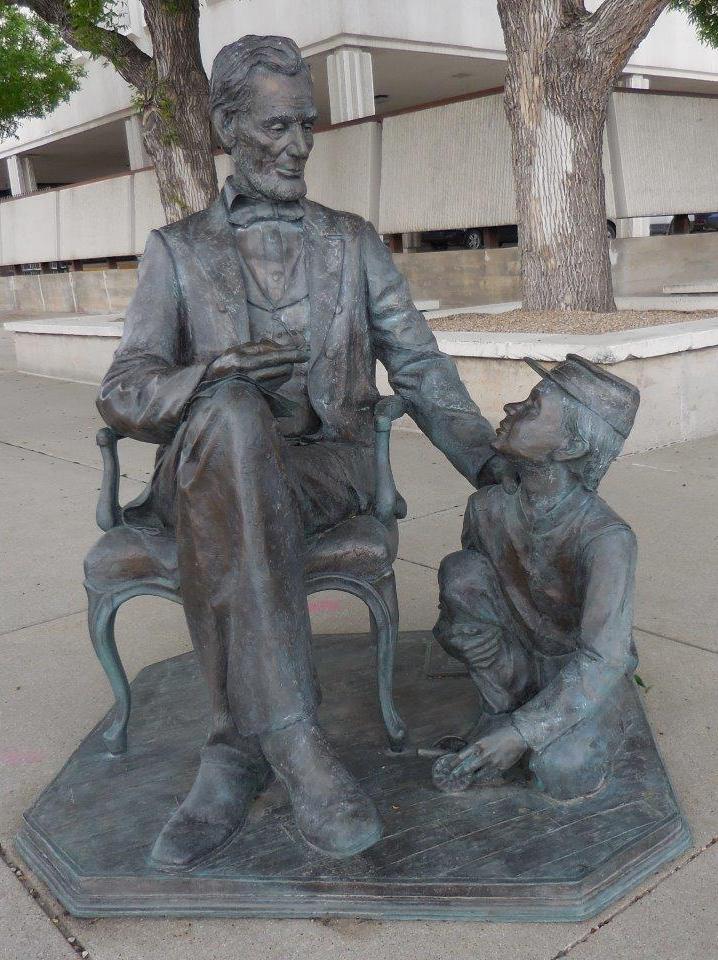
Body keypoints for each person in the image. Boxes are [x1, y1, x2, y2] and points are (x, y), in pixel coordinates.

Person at [97, 35, 504, 868]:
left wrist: (493, 464)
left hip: (326, 467)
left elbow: (419, 364)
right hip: (207, 469)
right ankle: (293, 741)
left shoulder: (350, 240)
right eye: (277, 126)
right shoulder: (176, 252)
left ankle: (235, 750)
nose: (297, 146)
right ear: (226, 125)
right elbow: (125, 388)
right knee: (236, 413)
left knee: (245, 443)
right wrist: (212, 372)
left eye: (307, 126)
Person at [433, 355, 641, 800]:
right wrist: (456, 635)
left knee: (562, 772)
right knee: (462, 569)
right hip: (516, 666)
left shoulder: (606, 538)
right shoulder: (487, 508)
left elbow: (604, 659)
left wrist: (522, 733)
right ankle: (502, 715)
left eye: (531, 407)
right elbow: (467, 601)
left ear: (568, 448)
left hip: (580, 673)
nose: (510, 409)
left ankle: (578, 722)